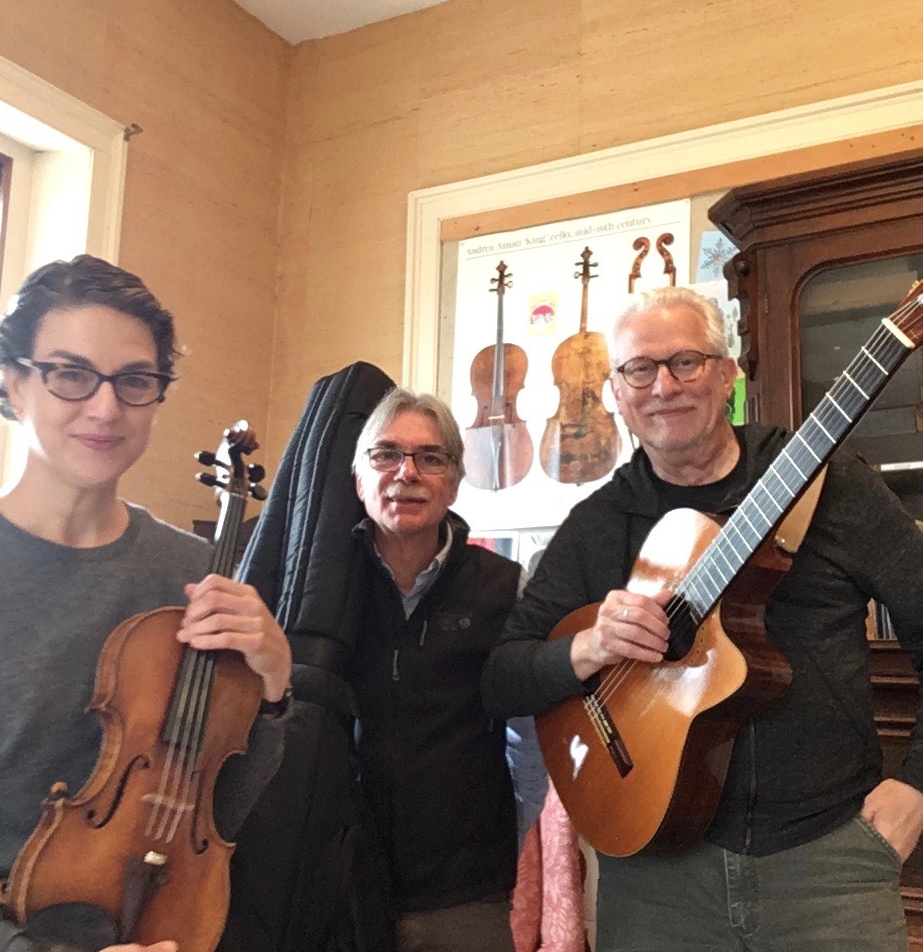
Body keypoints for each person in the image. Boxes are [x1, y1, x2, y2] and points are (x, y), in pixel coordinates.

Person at [482, 285, 923, 952]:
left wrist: (918, 787)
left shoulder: (832, 488)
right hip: (654, 878)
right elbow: (503, 678)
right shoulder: (597, 525)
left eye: (686, 361)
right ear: (617, 392)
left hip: (828, 864)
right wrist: (589, 647)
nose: (664, 386)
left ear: (727, 375)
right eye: (640, 369)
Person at [0, 255, 293, 952]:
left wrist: (270, 692)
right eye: (70, 374)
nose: (106, 408)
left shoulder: (196, 573)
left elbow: (211, 809)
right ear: (14, 382)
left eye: (135, 381)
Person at [349, 387, 535, 952]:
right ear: (359, 478)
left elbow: (530, 740)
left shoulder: (505, 587)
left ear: (453, 483)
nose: (406, 473)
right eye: (386, 454)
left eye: (430, 458)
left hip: (466, 894)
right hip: (339, 880)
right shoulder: (323, 586)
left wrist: (516, 845)